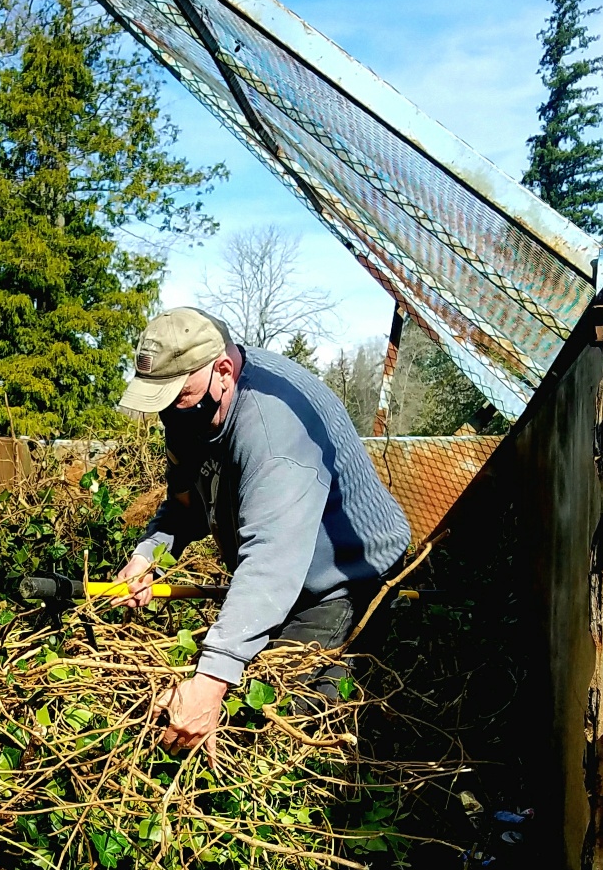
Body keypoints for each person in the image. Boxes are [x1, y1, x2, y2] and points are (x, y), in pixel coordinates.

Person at [114, 307, 411, 755]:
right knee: (242, 683)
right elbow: (185, 507)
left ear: (223, 371)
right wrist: (148, 555)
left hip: (346, 580)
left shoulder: (275, 433)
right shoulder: (192, 415)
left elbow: (271, 562)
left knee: (279, 723)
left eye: (179, 397)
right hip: (285, 572)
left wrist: (210, 682)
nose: (170, 414)